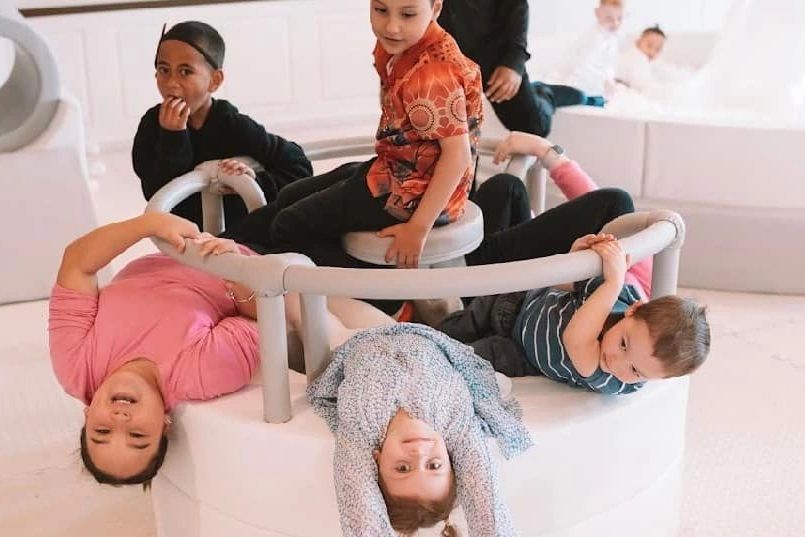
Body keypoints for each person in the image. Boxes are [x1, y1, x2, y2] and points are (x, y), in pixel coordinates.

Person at [47, 212, 371, 487]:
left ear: (87, 414)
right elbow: (266, 317)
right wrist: (234, 269)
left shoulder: (75, 364)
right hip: (263, 258)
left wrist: (150, 223)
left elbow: (77, 265)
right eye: (137, 435)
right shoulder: (198, 375)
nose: (120, 418)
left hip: (185, 244)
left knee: (286, 186)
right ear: (163, 424)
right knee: (338, 205)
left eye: (102, 430)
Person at [438, 132, 711, 394]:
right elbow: (566, 285)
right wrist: (575, 259)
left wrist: (614, 281)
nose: (617, 361)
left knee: (462, 358)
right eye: (624, 344)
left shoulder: (611, 378)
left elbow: (575, 340)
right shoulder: (625, 298)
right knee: (506, 188)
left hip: (520, 351)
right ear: (634, 310)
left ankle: (439, 306)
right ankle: (431, 324)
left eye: (637, 371)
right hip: (520, 300)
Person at [227, 0, 483, 270]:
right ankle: (219, 251)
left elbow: (458, 156)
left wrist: (418, 227)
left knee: (287, 226)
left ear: (436, 9)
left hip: (416, 193)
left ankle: (384, 299)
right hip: (397, 170)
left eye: (408, 14)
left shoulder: (432, 75)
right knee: (291, 195)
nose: (392, 26)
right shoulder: (397, 47)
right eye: (381, 10)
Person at [307, 318, 532, 536]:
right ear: (450, 457)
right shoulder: (455, 426)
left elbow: (359, 499)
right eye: (434, 465)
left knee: (309, 317)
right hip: (419, 331)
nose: (418, 454)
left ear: (376, 460)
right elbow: (485, 501)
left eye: (402, 468)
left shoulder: (361, 429)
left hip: (357, 337)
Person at [132, 21, 312, 231]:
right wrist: (173, 138)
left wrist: (254, 181)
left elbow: (299, 166)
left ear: (214, 81)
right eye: (164, 70)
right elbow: (155, 193)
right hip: (181, 238)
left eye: (185, 72)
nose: (171, 82)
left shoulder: (233, 125)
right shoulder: (152, 124)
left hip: (239, 240)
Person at [438, 0, 589, 136]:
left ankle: (544, 92)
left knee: (531, 126)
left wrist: (513, 64)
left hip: (494, 57)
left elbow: (517, 6)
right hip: (442, 60)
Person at [550, 0, 625, 102]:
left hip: (592, 77)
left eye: (619, 18)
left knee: (618, 90)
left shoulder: (611, 37)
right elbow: (583, 66)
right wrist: (604, 81)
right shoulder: (595, 38)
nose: (615, 23)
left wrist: (609, 79)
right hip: (577, 78)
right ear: (598, 14)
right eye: (609, 18)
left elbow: (608, 64)